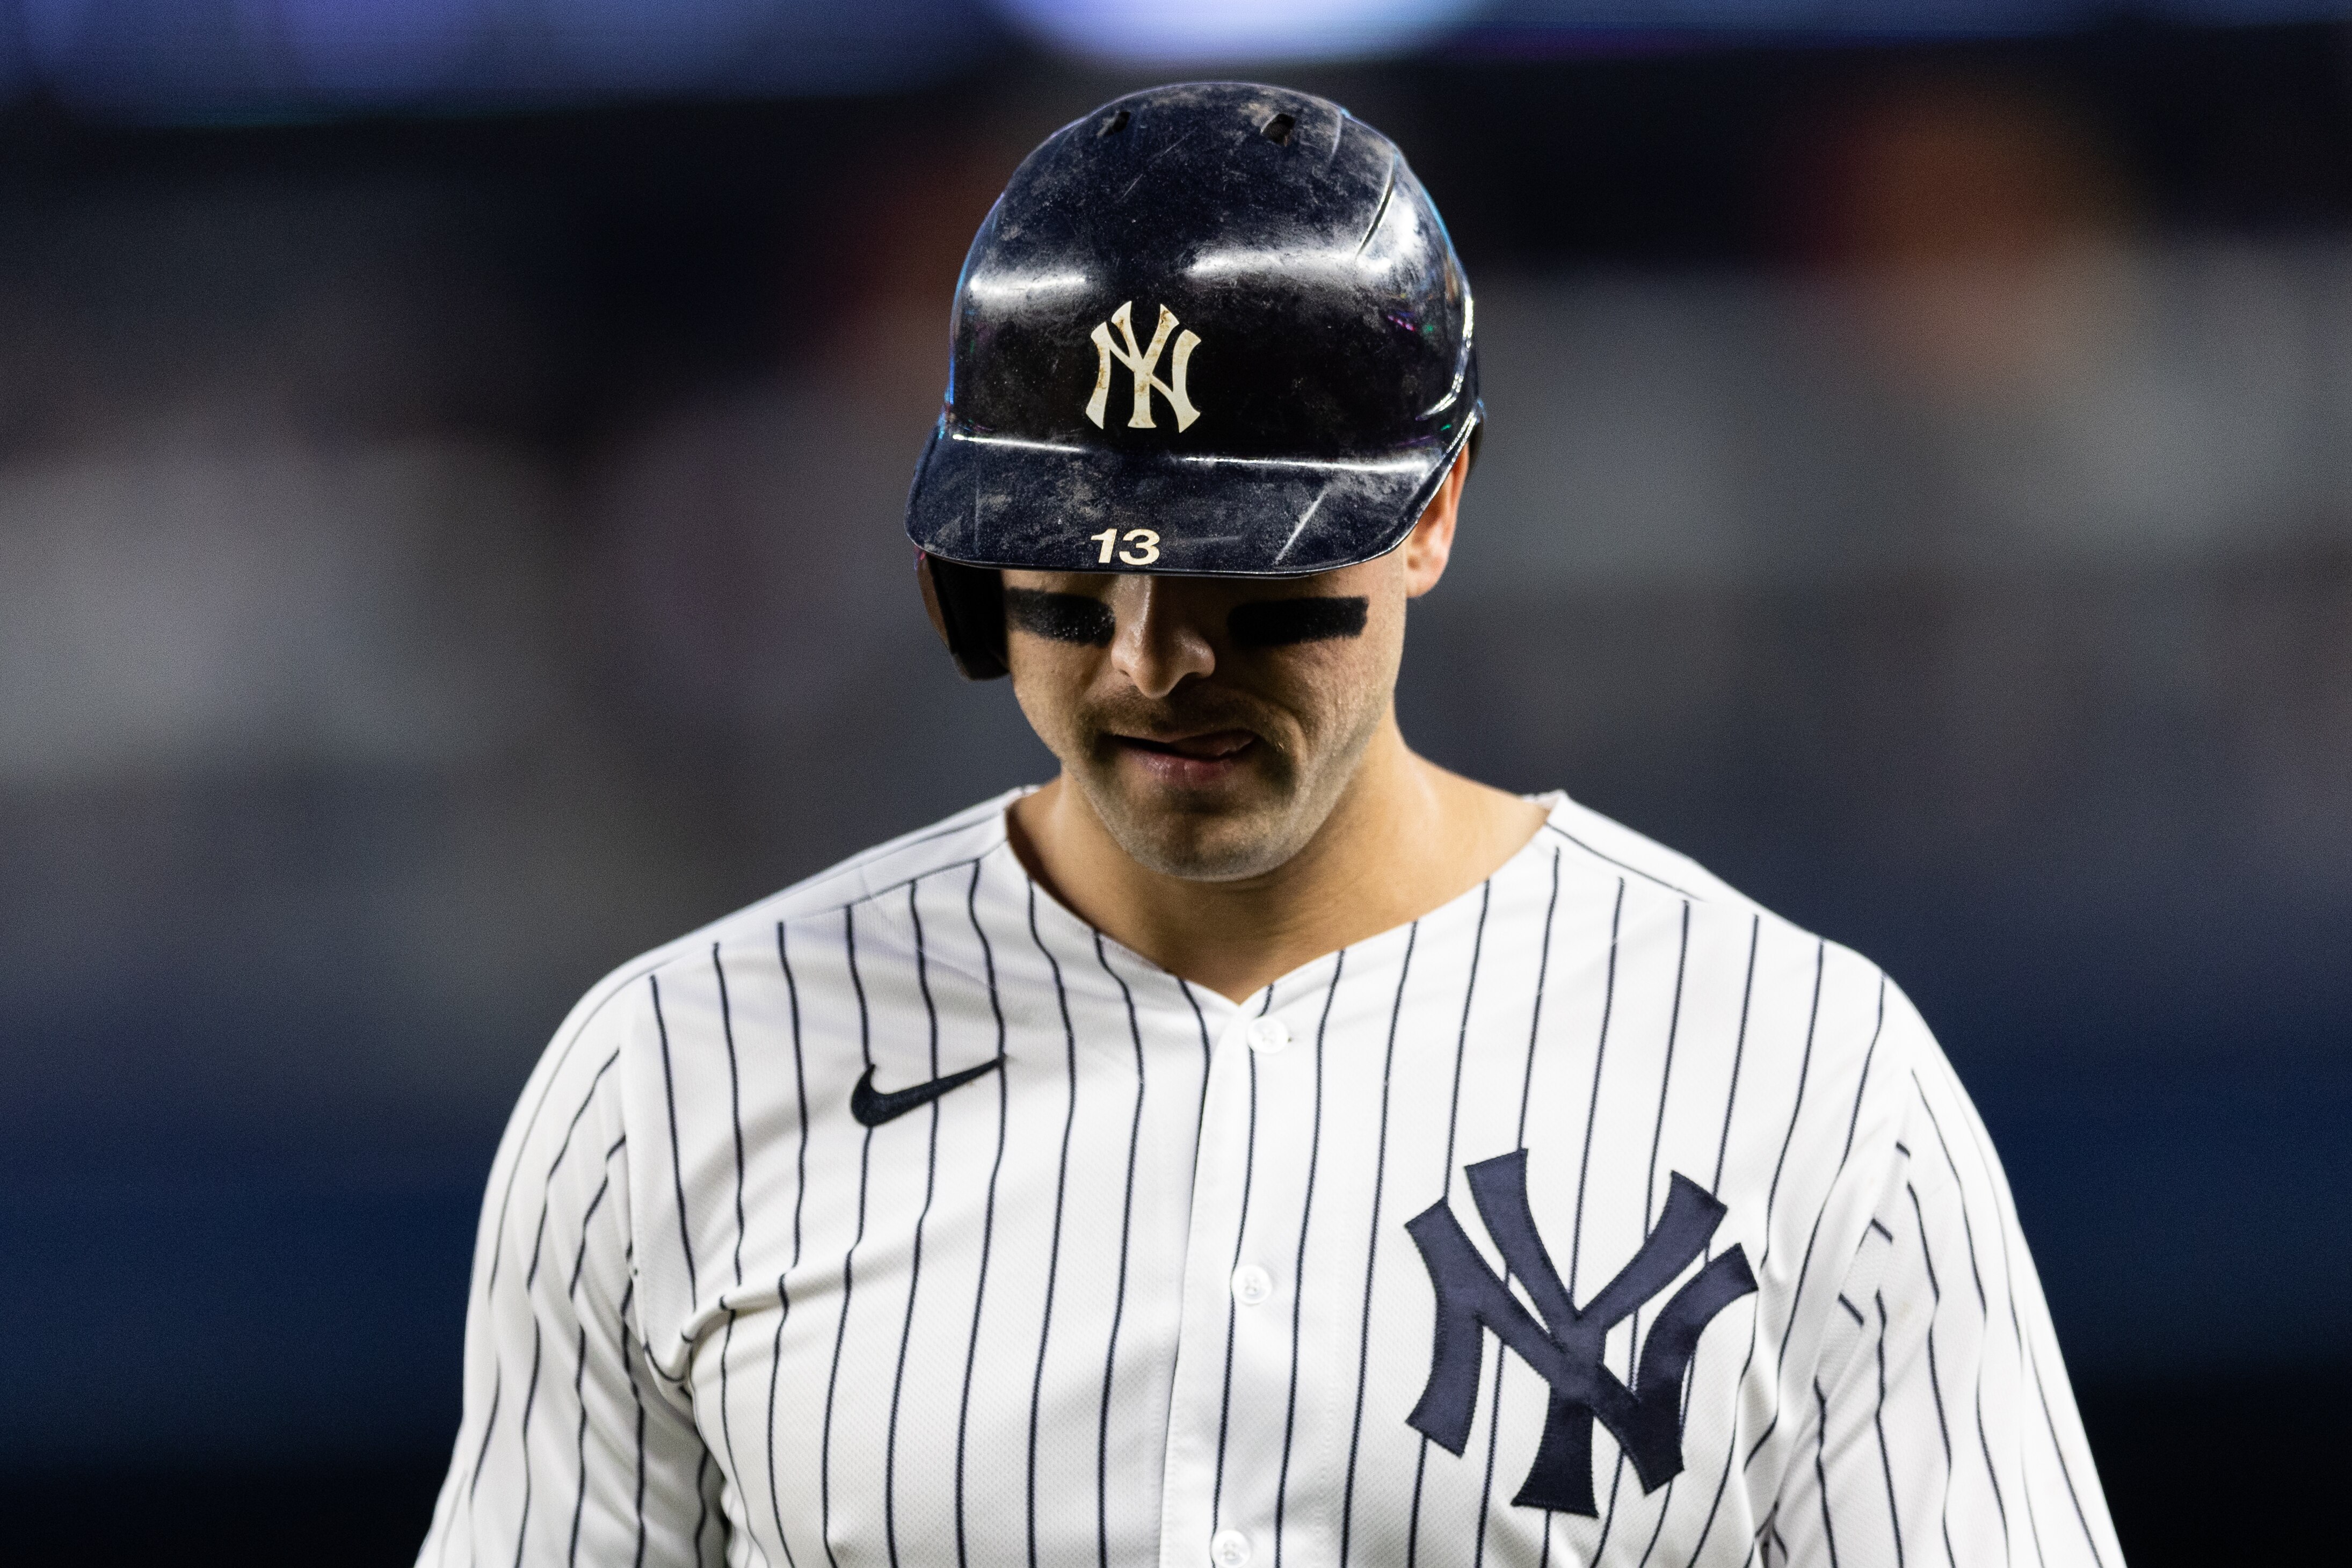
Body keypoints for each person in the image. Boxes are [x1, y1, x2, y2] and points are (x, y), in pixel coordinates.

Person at [419, 83, 2122, 1568]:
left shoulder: (1803, 1073)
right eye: (1075, 569)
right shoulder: (668, 1081)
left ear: (1434, 508)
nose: (1155, 661)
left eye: (1241, 564)